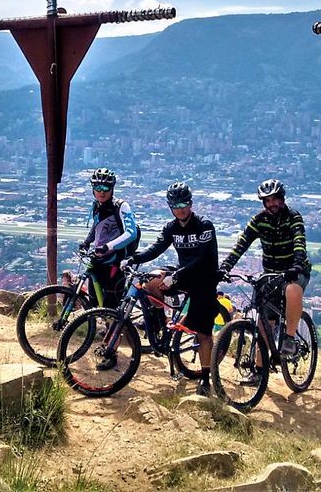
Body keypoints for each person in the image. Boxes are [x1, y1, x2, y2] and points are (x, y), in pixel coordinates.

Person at [125, 182, 219, 397]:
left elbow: (202, 258)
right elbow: (156, 248)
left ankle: (205, 378)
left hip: (204, 278)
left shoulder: (204, 225)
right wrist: (134, 258)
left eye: (184, 203)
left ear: (191, 203)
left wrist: (175, 276)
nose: (181, 208)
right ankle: (159, 322)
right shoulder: (171, 228)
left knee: (203, 333)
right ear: (170, 206)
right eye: (176, 205)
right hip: (183, 274)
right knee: (151, 280)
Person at [220, 179, 310, 358]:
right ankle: (260, 372)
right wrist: (225, 267)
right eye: (267, 201)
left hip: (294, 270)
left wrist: (297, 264)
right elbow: (241, 244)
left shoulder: (293, 217)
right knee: (263, 324)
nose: (272, 204)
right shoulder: (259, 220)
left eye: (275, 199)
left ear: (282, 199)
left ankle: (290, 338)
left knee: (292, 290)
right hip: (270, 273)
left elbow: (299, 241)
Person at [78, 168, 139, 308]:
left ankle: (117, 328)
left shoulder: (121, 206)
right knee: (93, 300)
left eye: (106, 187)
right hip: (98, 258)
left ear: (112, 188)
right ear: (93, 188)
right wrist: (87, 242)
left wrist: (108, 246)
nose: (102, 191)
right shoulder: (97, 206)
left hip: (115, 261)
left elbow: (131, 233)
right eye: (98, 187)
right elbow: (96, 227)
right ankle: (98, 326)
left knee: (112, 305)